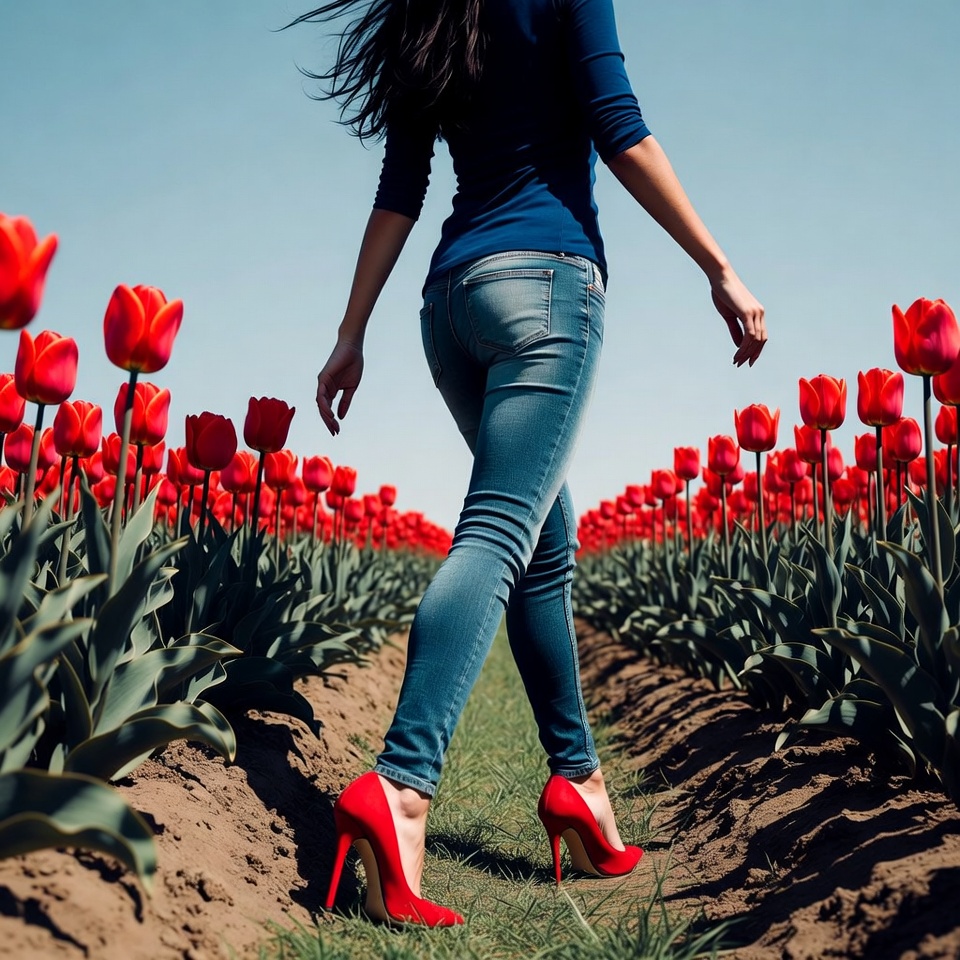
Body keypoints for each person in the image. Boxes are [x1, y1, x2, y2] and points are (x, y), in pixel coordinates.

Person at [298, 0, 766, 927]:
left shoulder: (425, 10)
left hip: (449, 307)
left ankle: (579, 782)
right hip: (546, 287)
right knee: (499, 535)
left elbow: (401, 185)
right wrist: (719, 265)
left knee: (546, 544)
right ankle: (401, 786)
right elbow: (618, 125)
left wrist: (351, 331)